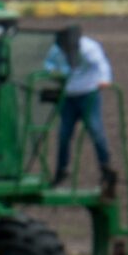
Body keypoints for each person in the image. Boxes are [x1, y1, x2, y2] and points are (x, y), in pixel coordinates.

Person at [43, 24, 116, 191]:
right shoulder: (56, 50)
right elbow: (48, 65)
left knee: (96, 131)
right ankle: (61, 170)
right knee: (63, 134)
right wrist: (54, 74)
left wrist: (105, 80)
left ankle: (106, 168)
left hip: (88, 94)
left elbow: (102, 64)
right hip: (68, 96)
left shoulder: (89, 48)